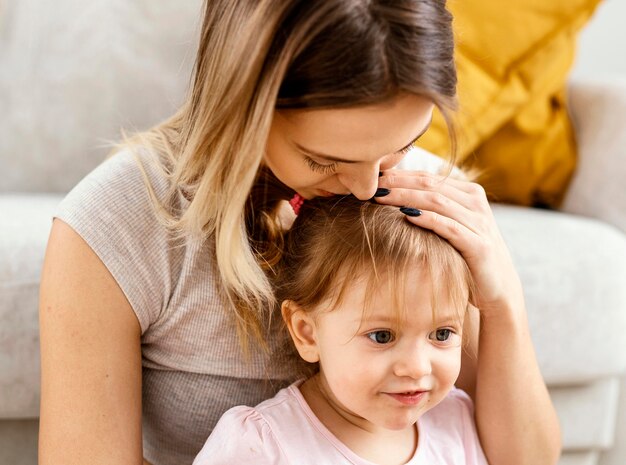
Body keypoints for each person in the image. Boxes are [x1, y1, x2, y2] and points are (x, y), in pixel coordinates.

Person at [38, 1, 561, 465]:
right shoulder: (118, 222)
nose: (364, 188)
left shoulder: (421, 198)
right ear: (242, 109)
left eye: (403, 142)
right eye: (324, 160)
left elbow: (516, 458)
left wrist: (502, 302)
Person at [194, 195, 488, 465]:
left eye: (441, 334)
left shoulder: (457, 421)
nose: (416, 368)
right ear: (307, 333)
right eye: (382, 336)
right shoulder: (260, 445)